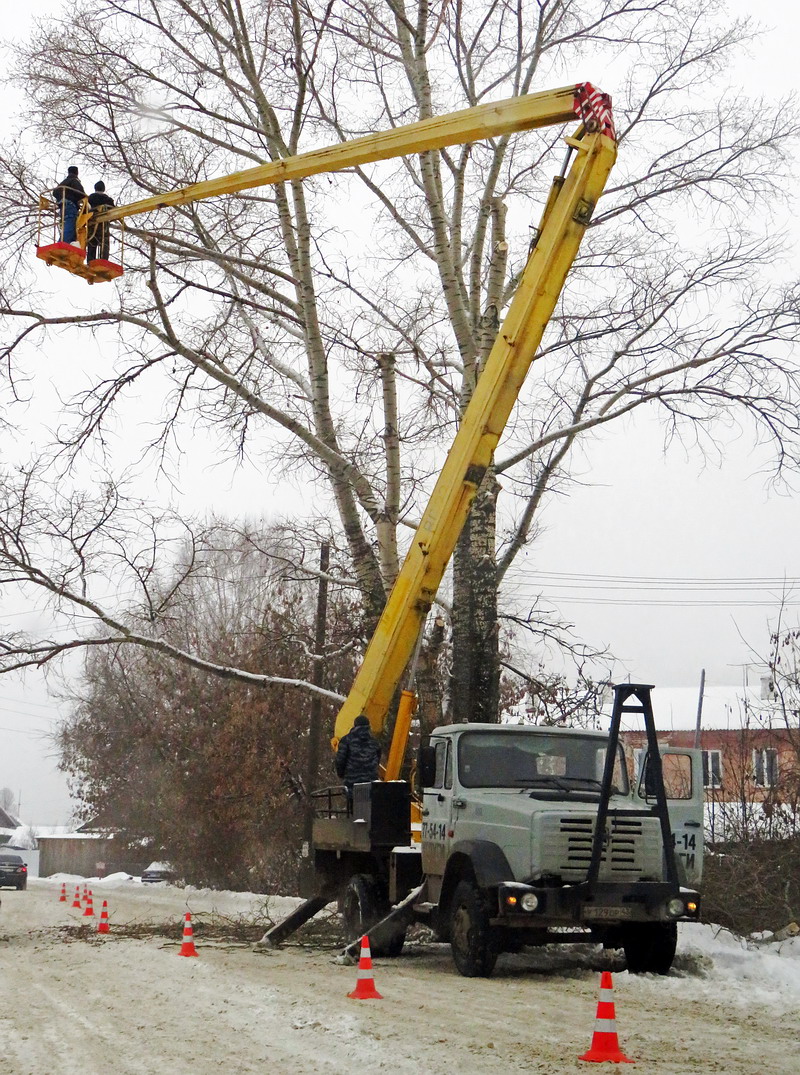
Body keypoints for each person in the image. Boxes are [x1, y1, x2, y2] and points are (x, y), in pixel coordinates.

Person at [335, 714, 381, 800]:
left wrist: (341, 774)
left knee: (354, 810)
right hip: (371, 786)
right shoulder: (374, 742)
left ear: (355, 725)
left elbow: (340, 761)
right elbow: (377, 760)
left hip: (352, 784)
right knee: (368, 811)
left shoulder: (346, 740)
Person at [51, 166, 86, 244]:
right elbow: (82, 194)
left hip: (62, 207)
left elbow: (54, 192)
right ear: (77, 173)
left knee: (67, 226)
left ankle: (63, 243)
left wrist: (62, 198)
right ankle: (63, 244)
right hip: (70, 206)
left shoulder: (63, 183)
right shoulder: (74, 181)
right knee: (70, 228)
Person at [86, 181, 115, 262]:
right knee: (104, 243)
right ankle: (104, 260)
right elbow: (113, 210)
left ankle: (90, 261)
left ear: (95, 188)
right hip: (103, 225)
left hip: (92, 224)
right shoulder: (108, 200)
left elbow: (85, 209)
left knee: (92, 243)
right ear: (104, 189)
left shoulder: (90, 198)